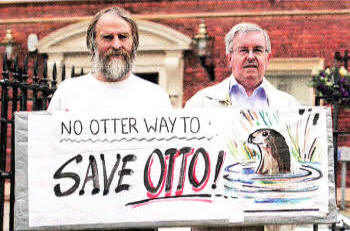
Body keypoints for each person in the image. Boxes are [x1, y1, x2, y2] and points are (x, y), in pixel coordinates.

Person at [185, 23, 300, 231]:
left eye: (257, 50)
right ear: (229, 57)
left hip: (269, 219)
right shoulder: (200, 103)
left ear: (268, 57)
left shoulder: (290, 106)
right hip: (214, 219)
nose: (250, 56)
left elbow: (297, 162)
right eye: (242, 50)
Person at [48, 7, 171, 111]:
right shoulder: (67, 93)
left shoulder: (156, 97)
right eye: (107, 37)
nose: (116, 45)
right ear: (92, 44)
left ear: (134, 43)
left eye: (123, 37)